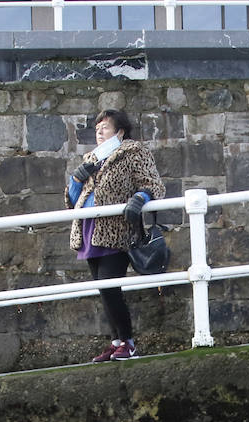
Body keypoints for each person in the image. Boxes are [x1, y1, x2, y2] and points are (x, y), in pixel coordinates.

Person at [66, 109, 165, 362]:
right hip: (89, 231)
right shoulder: (92, 158)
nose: (99, 131)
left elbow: (153, 184)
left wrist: (140, 198)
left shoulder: (133, 152)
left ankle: (128, 343)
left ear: (120, 132)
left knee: (110, 288)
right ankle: (116, 342)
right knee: (103, 289)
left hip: (115, 229)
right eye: (97, 127)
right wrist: (77, 179)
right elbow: (73, 201)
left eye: (106, 127)